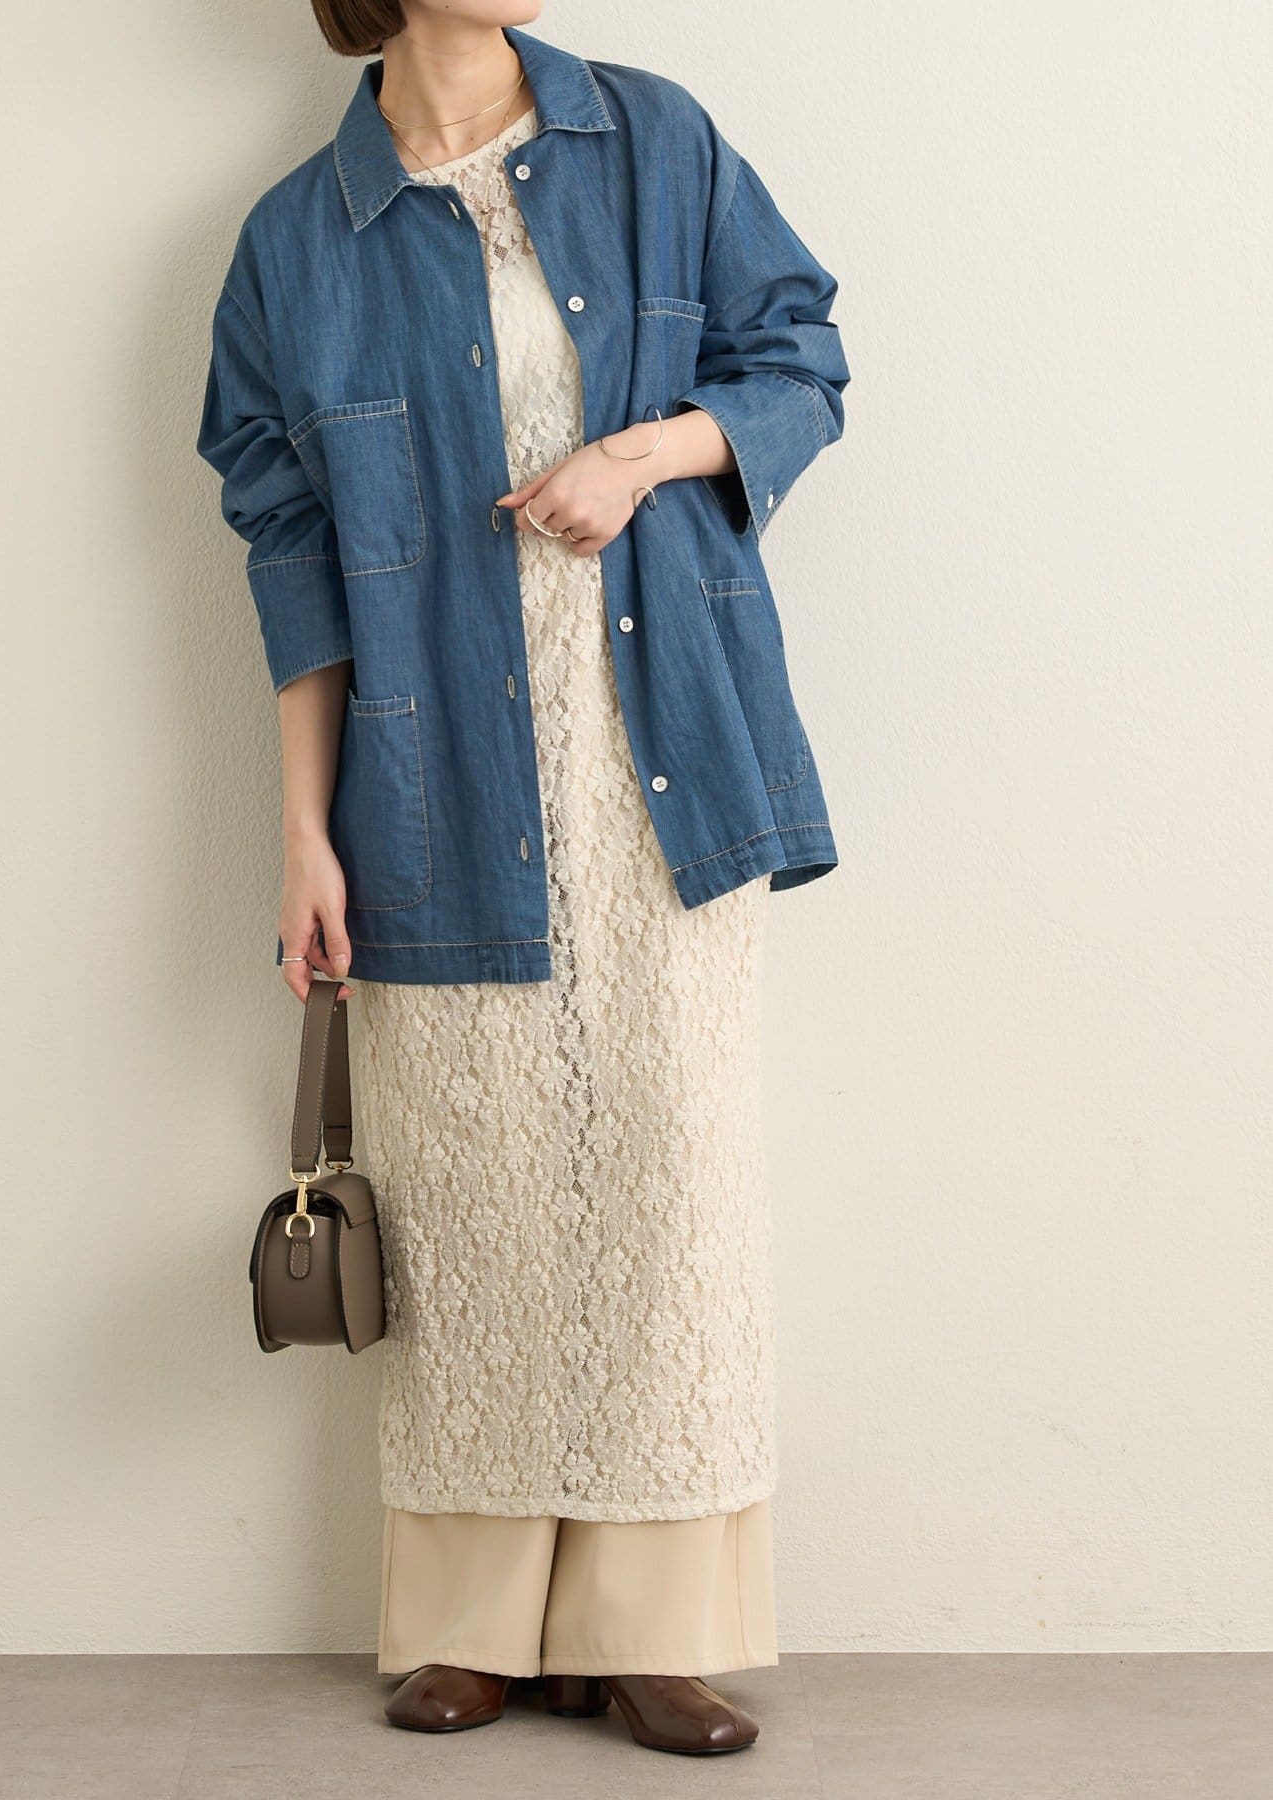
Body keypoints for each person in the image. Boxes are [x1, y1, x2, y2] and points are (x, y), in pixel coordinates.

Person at [197, 1, 849, 1759]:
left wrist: (642, 454)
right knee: (470, 1193)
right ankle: (473, 1624)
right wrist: (304, 831)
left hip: (660, 762)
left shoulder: (656, 142)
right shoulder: (296, 241)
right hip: (433, 785)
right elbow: (291, 550)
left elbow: (799, 358)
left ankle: (650, 1630)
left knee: (666, 1182)